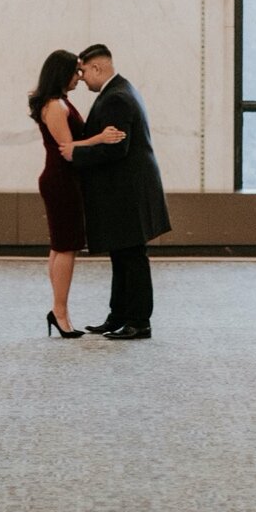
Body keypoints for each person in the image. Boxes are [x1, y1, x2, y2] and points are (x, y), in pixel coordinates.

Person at [60, 44, 171, 340]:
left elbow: (117, 149)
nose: (81, 78)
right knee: (122, 256)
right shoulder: (121, 90)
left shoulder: (116, 98)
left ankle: (139, 322)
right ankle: (119, 316)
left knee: (132, 258)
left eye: (83, 71)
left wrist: (75, 155)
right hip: (129, 191)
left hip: (128, 193)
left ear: (98, 68)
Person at [29, 49, 126, 339]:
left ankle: (60, 311)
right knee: (66, 246)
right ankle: (59, 312)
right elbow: (68, 149)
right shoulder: (56, 106)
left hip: (63, 180)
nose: (79, 77)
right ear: (62, 73)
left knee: (60, 246)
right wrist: (102, 137)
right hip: (61, 181)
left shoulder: (58, 102)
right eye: (75, 72)